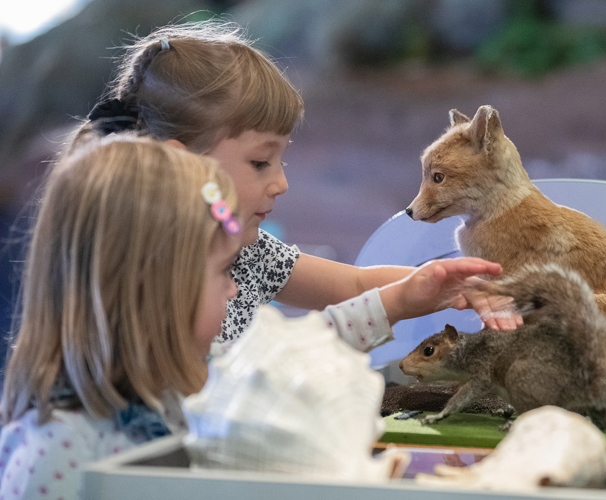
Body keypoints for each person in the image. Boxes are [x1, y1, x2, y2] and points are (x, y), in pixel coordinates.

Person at [0, 135, 513, 498]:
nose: (235, 288)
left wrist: (404, 299)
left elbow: (288, 364)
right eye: (224, 272)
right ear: (152, 287)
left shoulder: (192, 387)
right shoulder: (56, 454)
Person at [75, 20, 520, 346]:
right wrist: (400, 301)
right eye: (260, 162)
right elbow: (260, 373)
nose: (281, 183)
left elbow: (355, 286)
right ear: (181, 161)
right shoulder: (136, 278)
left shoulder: (241, 248)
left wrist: (439, 285)